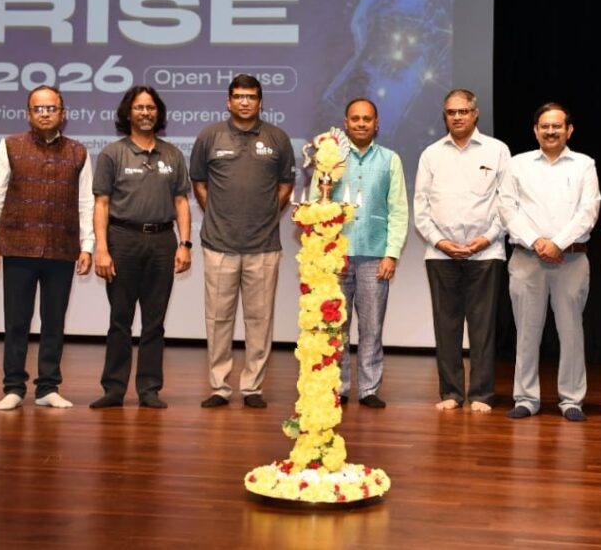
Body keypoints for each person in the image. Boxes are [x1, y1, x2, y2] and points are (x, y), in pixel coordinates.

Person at [0, 85, 94, 411]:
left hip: (62, 248)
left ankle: (47, 387)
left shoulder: (78, 152)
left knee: (54, 322)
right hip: (19, 247)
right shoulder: (10, 146)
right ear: (29, 114)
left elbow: (86, 203)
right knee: (17, 322)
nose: (45, 114)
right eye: (38, 109)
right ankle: (14, 387)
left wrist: (87, 245)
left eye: (51, 108)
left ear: (63, 113)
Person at [190, 74, 296, 409]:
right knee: (218, 320)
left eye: (250, 97)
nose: (244, 102)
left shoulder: (277, 138)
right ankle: (219, 386)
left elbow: (286, 184)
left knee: (259, 321)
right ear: (228, 101)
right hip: (218, 244)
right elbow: (199, 182)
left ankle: (252, 388)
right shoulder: (209, 136)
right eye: (238, 96)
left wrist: (268, 214)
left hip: (263, 246)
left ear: (261, 102)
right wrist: (216, 213)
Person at [89, 86, 192, 409]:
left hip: (162, 242)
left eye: (150, 107)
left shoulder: (172, 155)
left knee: (154, 321)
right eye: (139, 107)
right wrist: (101, 249)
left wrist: (185, 244)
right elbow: (101, 204)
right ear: (128, 113)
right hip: (123, 240)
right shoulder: (112, 154)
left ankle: (149, 389)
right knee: (120, 319)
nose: (145, 113)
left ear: (158, 113)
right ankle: (114, 389)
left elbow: (181, 202)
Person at [499, 103, 601, 422]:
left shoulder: (584, 164)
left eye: (557, 126)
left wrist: (557, 243)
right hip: (527, 258)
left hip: (571, 258)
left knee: (571, 331)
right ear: (535, 130)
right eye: (545, 126)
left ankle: (571, 400)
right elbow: (507, 208)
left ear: (569, 130)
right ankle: (526, 398)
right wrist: (537, 242)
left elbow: (588, 211)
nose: (551, 131)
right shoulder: (518, 164)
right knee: (526, 331)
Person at [414, 88, 510, 413]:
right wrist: (440, 242)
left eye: (463, 111)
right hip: (441, 254)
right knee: (446, 326)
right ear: (445, 116)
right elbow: (421, 208)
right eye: (451, 112)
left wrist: (487, 238)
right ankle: (451, 393)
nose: (457, 117)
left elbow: (507, 203)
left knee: (483, 327)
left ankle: (481, 394)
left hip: (486, 253)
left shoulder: (497, 150)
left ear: (475, 113)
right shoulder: (431, 154)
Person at [311, 99, 408, 409]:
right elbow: (315, 202)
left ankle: (369, 389)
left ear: (376, 124)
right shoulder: (330, 157)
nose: (361, 123)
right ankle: (338, 387)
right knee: (335, 326)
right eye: (355, 119)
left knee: (372, 327)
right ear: (346, 123)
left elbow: (398, 211)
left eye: (367, 119)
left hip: (375, 256)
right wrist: (322, 250)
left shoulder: (390, 159)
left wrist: (391, 254)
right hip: (335, 255)